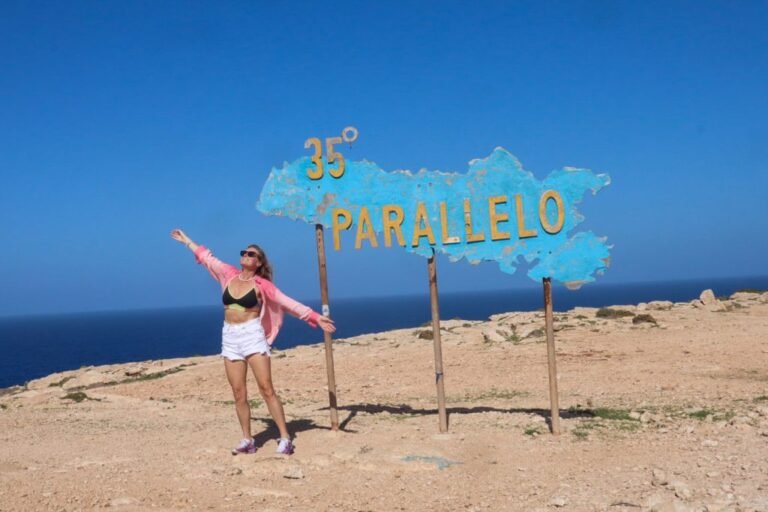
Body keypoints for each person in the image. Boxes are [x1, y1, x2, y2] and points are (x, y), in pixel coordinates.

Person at [170, 229, 335, 455]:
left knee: (266, 388)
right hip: (229, 336)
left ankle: (285, 438)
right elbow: (206, 257)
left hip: (252, 335)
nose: (246, 256)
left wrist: (315, 317)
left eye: (251, 254)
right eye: (244, 252)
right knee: (238, 392)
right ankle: (247, 440)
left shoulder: (262, 285)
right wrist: (186, 241)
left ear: (259, 262)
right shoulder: (228, 274)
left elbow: (288, 303)